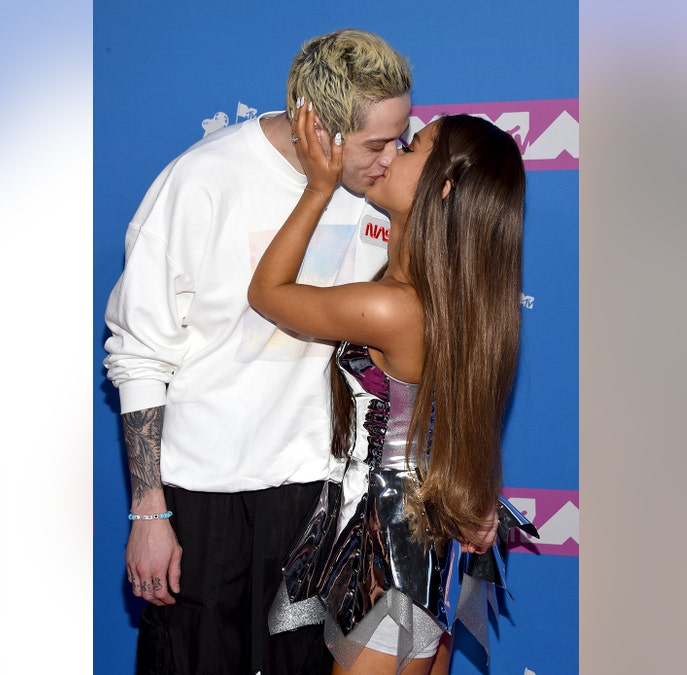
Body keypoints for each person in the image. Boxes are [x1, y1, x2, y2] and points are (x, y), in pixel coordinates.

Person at [102, 29, 413, 674]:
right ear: (318, 130)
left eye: (401, 136)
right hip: (206, 492)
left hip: (319, 496)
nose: (393, 157)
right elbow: (138, 353)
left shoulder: (383, 195)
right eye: (376, 143)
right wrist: (149, 509)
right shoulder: (204, 180)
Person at [248, 102, 538, 674]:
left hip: (388, 554)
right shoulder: (456, 302)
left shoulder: (393, 306)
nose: (390, 153)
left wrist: (318, 187)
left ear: (446, 186)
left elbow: (267, 293)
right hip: (423, 541)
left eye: (410, 148)